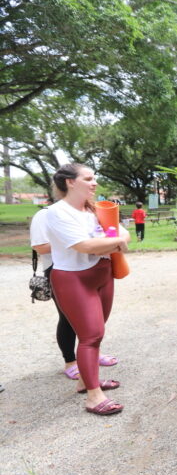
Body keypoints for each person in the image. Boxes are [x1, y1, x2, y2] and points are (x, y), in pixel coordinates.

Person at [46, 164, 129, 415]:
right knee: (91, 335)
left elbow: (121, 231)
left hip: (103, 275)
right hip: (74, 279)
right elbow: (84, 245)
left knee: (97, 333)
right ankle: (94, 397)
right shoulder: (56, 212)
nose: (95, 183)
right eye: (88, 178)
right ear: (70, 182)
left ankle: (86, 380)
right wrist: (116, 242)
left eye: (95, 179)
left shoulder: (94, 209)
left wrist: (113, 242)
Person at [31, 207, 119, 381]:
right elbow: (40, 247)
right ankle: (70, 362)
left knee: (95, 317)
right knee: (68, 319)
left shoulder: (86, 213)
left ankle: (93, 354)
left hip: (89, 267)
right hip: (60, 269)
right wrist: (77, 243)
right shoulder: (45, 214)